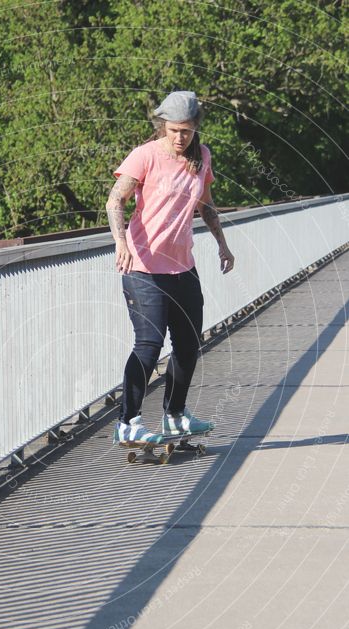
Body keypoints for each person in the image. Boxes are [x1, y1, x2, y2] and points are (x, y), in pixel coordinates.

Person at [106, 89, 234, 445]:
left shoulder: (202, 157)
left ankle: (175, 416)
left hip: (183, 268)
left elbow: (206, 206)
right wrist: (120, 242)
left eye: (187, 131)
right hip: (143, 267)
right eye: (174, 130)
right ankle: (127, 421)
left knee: (189, 343)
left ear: (196, 129)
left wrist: (223, 244)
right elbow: (115, 199)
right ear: (163, 125)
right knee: (148, 343)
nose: (180, 138)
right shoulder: (145, 156)